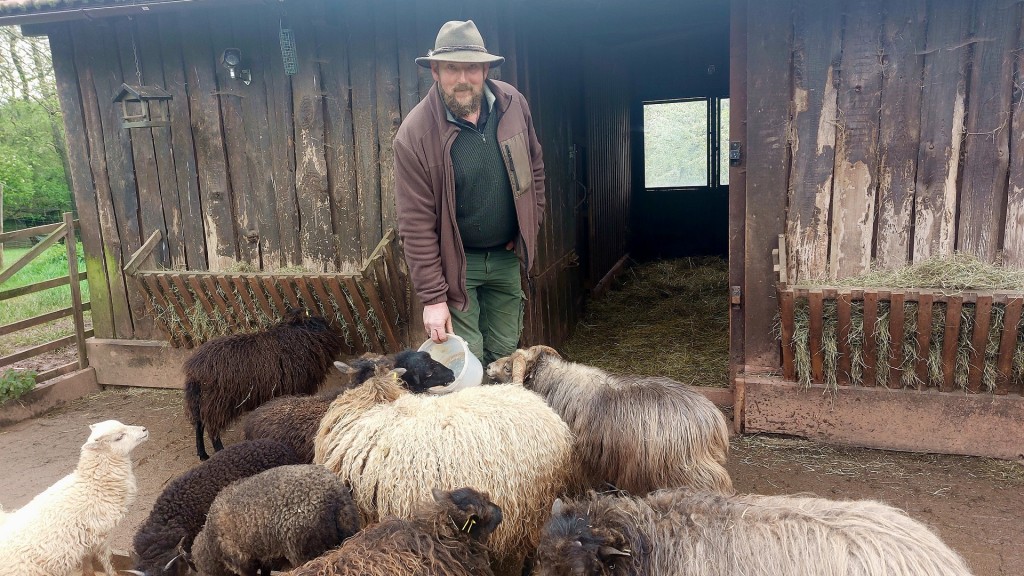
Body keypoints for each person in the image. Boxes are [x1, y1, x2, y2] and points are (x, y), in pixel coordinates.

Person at [393, 19, 546, 365]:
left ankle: (502, 418)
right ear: (435, 70)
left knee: (506, 352)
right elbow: (415, 225)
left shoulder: (513, 105)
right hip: (458, 265)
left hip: (506, 257)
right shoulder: (415, 136)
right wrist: (433, 299)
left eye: (472, 69)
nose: (463, 80)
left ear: (486, 69)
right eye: (452, 69)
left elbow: (534, 169)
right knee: (468, 357)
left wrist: (529, 227)